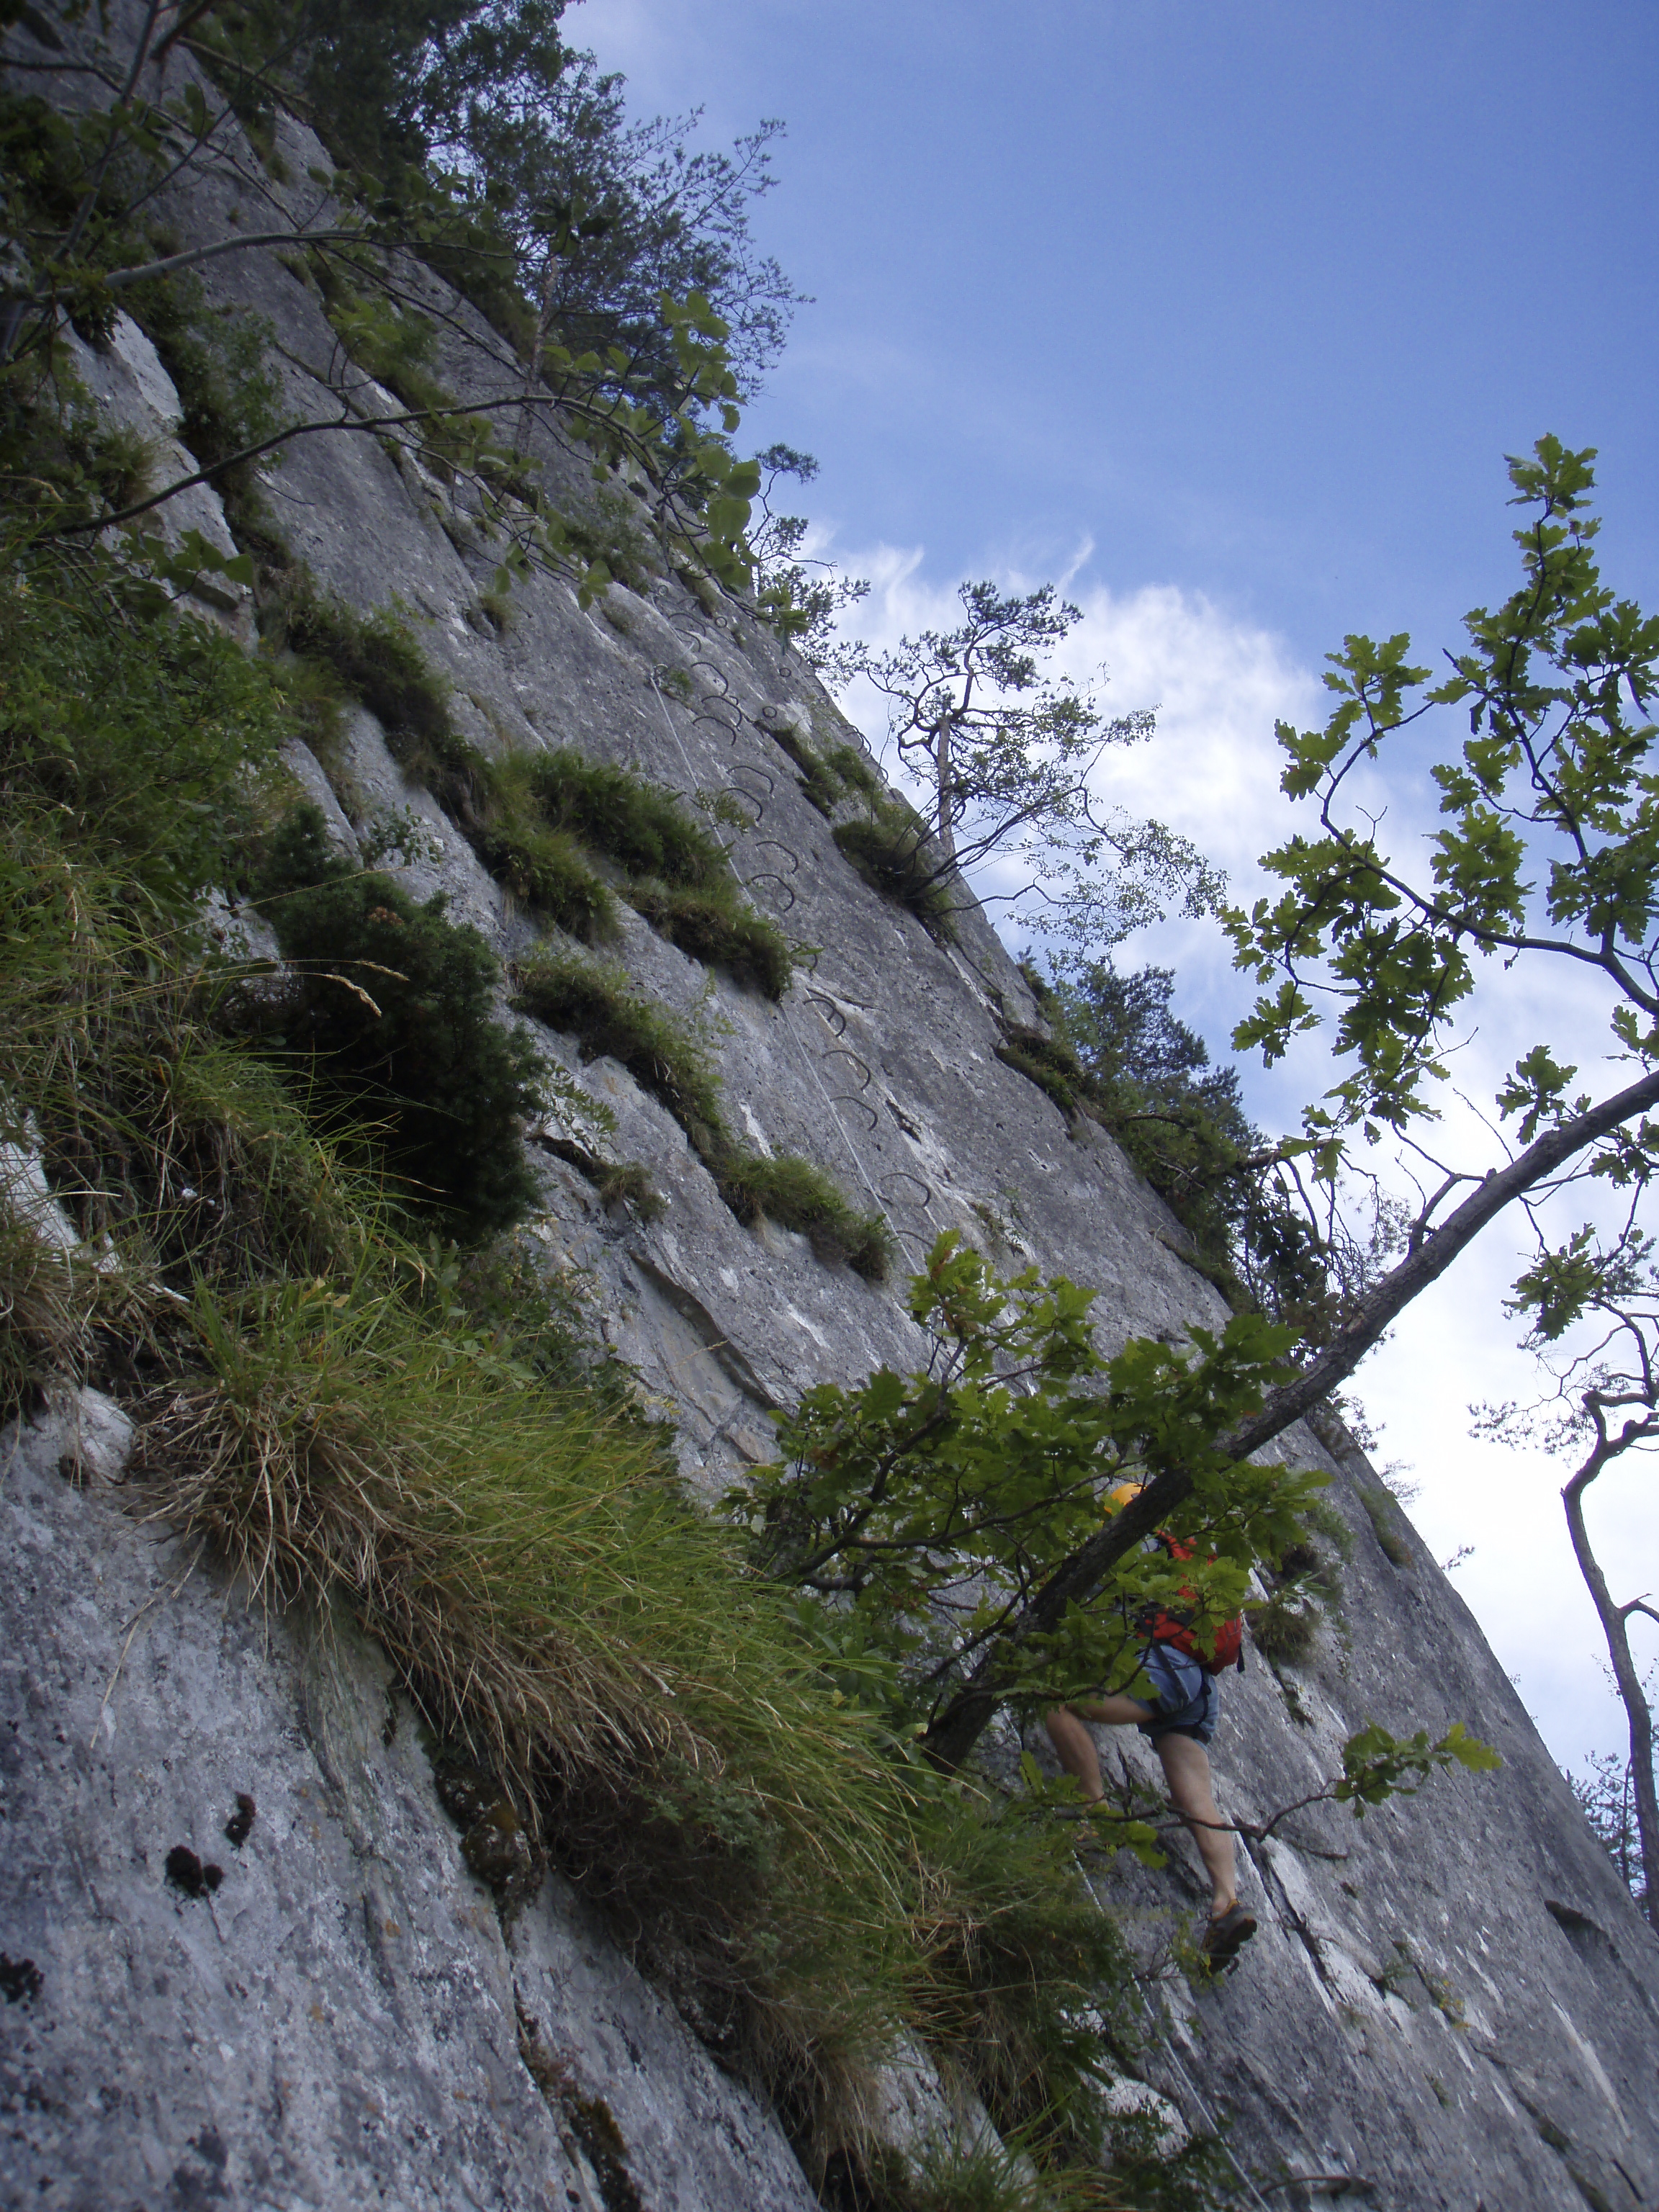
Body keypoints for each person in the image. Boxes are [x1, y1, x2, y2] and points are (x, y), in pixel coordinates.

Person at [1044, 1482, 1258, 1971]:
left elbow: (1099, 1598)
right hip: (1198, 1684)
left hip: (1163, 1666)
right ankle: (1227, 1900)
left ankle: (1092, 1813)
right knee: (1194, 1795)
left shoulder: (1141, 1541)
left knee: (1052, 1699)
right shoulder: (1191, 1556)